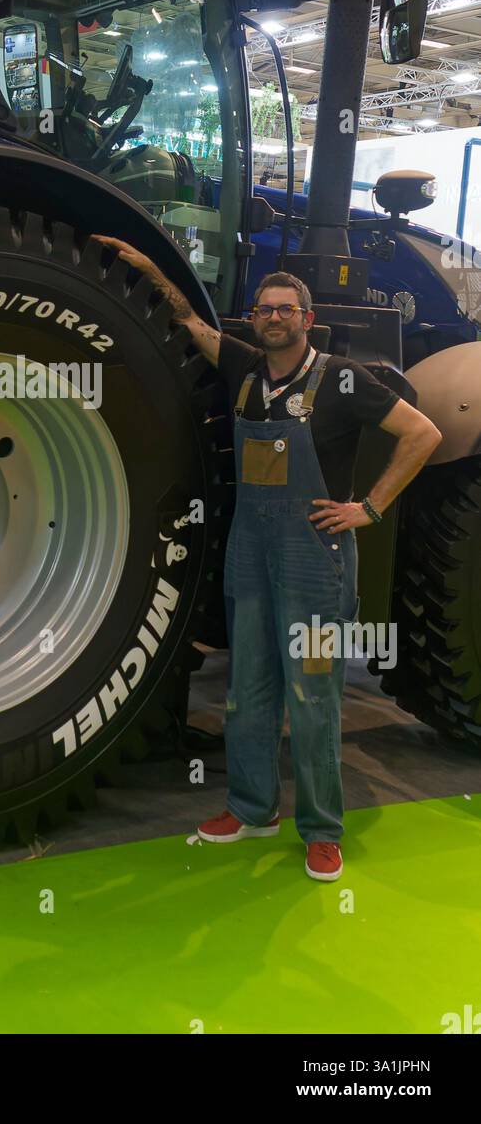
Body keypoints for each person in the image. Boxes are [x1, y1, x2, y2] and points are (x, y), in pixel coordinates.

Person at [95, 235, 442, 881]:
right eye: (265, 308)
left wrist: (368, 509)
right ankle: (252, 808)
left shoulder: (342, 377)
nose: (274, 316)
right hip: (250, 557)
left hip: (314, 562)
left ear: (308, 319)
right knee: (247, 688)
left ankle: (321, 830)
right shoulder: (245, 369)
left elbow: (423, 433)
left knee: (312, 693)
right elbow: (189, 322)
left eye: (286, 309)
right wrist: (145, 266)